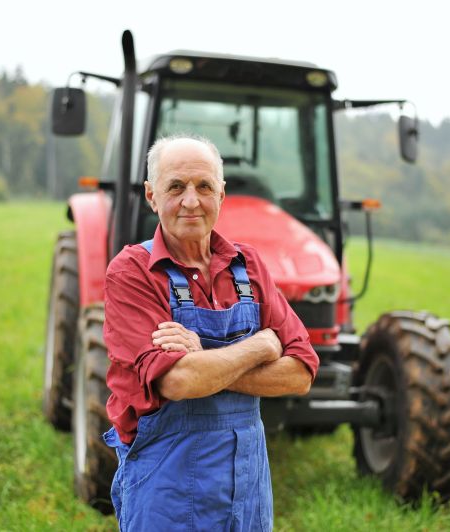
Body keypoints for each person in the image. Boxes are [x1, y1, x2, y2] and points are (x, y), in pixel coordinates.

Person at [102, 134, 319, 531]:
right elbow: (179, 380)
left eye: (203, 186)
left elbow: (302, 372)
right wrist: (259, 346)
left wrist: (204, 356)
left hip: (248, 489)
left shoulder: (248, 265)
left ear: (222, 194)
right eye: (176, 187)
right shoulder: (132, 273)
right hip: (167, 488)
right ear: (151, 196)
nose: (191, 200)